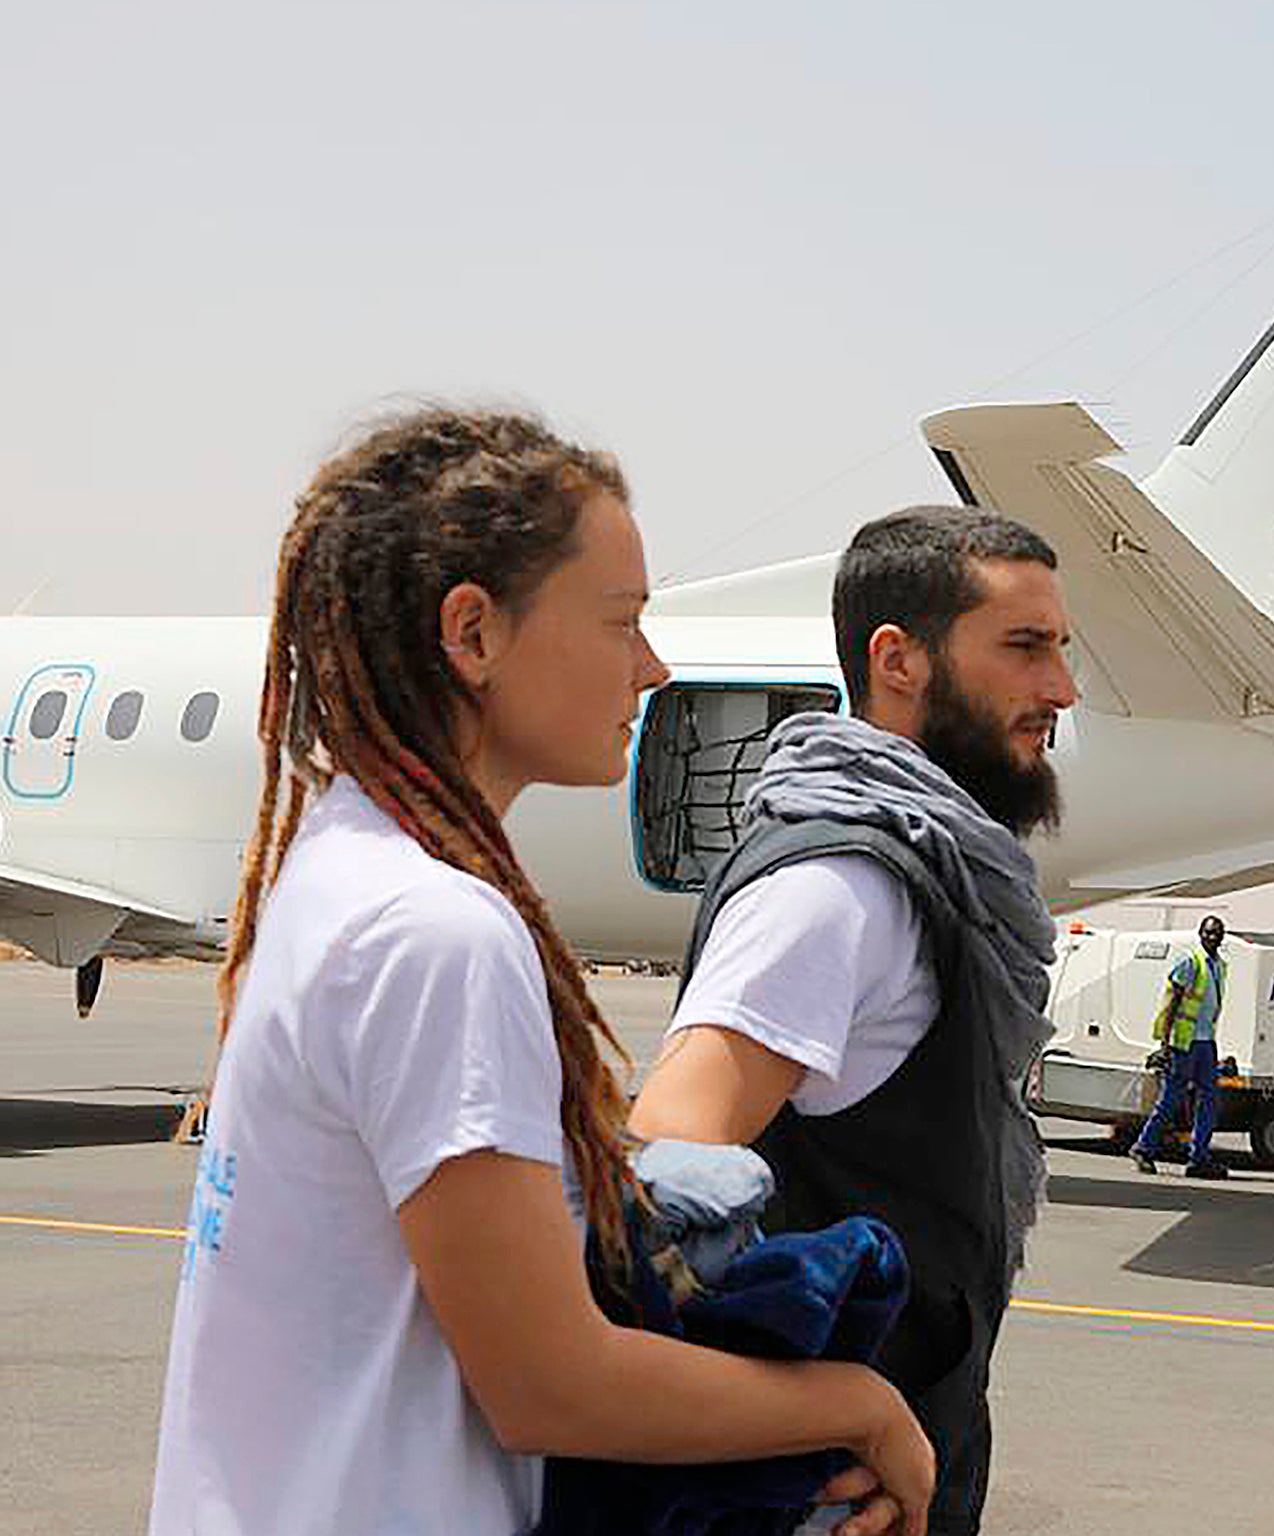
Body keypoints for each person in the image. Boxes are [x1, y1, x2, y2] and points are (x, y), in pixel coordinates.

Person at [148, 409, 932, 1536]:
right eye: (622, 621)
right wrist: (857, 1404)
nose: (653, 668)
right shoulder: (435, 934)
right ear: (473, 633)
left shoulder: (339, 871)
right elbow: (546, 1384)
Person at [630, 505, 1078, 1534]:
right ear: (899, 661)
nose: (1060, 687)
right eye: (1022, 647)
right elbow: (664, 1171)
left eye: (1058, 648)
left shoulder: (931, 873)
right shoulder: (837, 889)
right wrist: (813, 1427)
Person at [1129, 915, 1230, 1179]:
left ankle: (1199, 1158)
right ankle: (1143, 1148)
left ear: (1222, 937)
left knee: (1210, 1100)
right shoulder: (1190, 962)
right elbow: (1170, 1004)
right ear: (1200, 934)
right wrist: (1164, 1044)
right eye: (1208, 932)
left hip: (1206, 1042)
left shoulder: (1220, 966)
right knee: (1171, 1099)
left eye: (1217, 933)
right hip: (1183, 1044)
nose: (1212, 937)